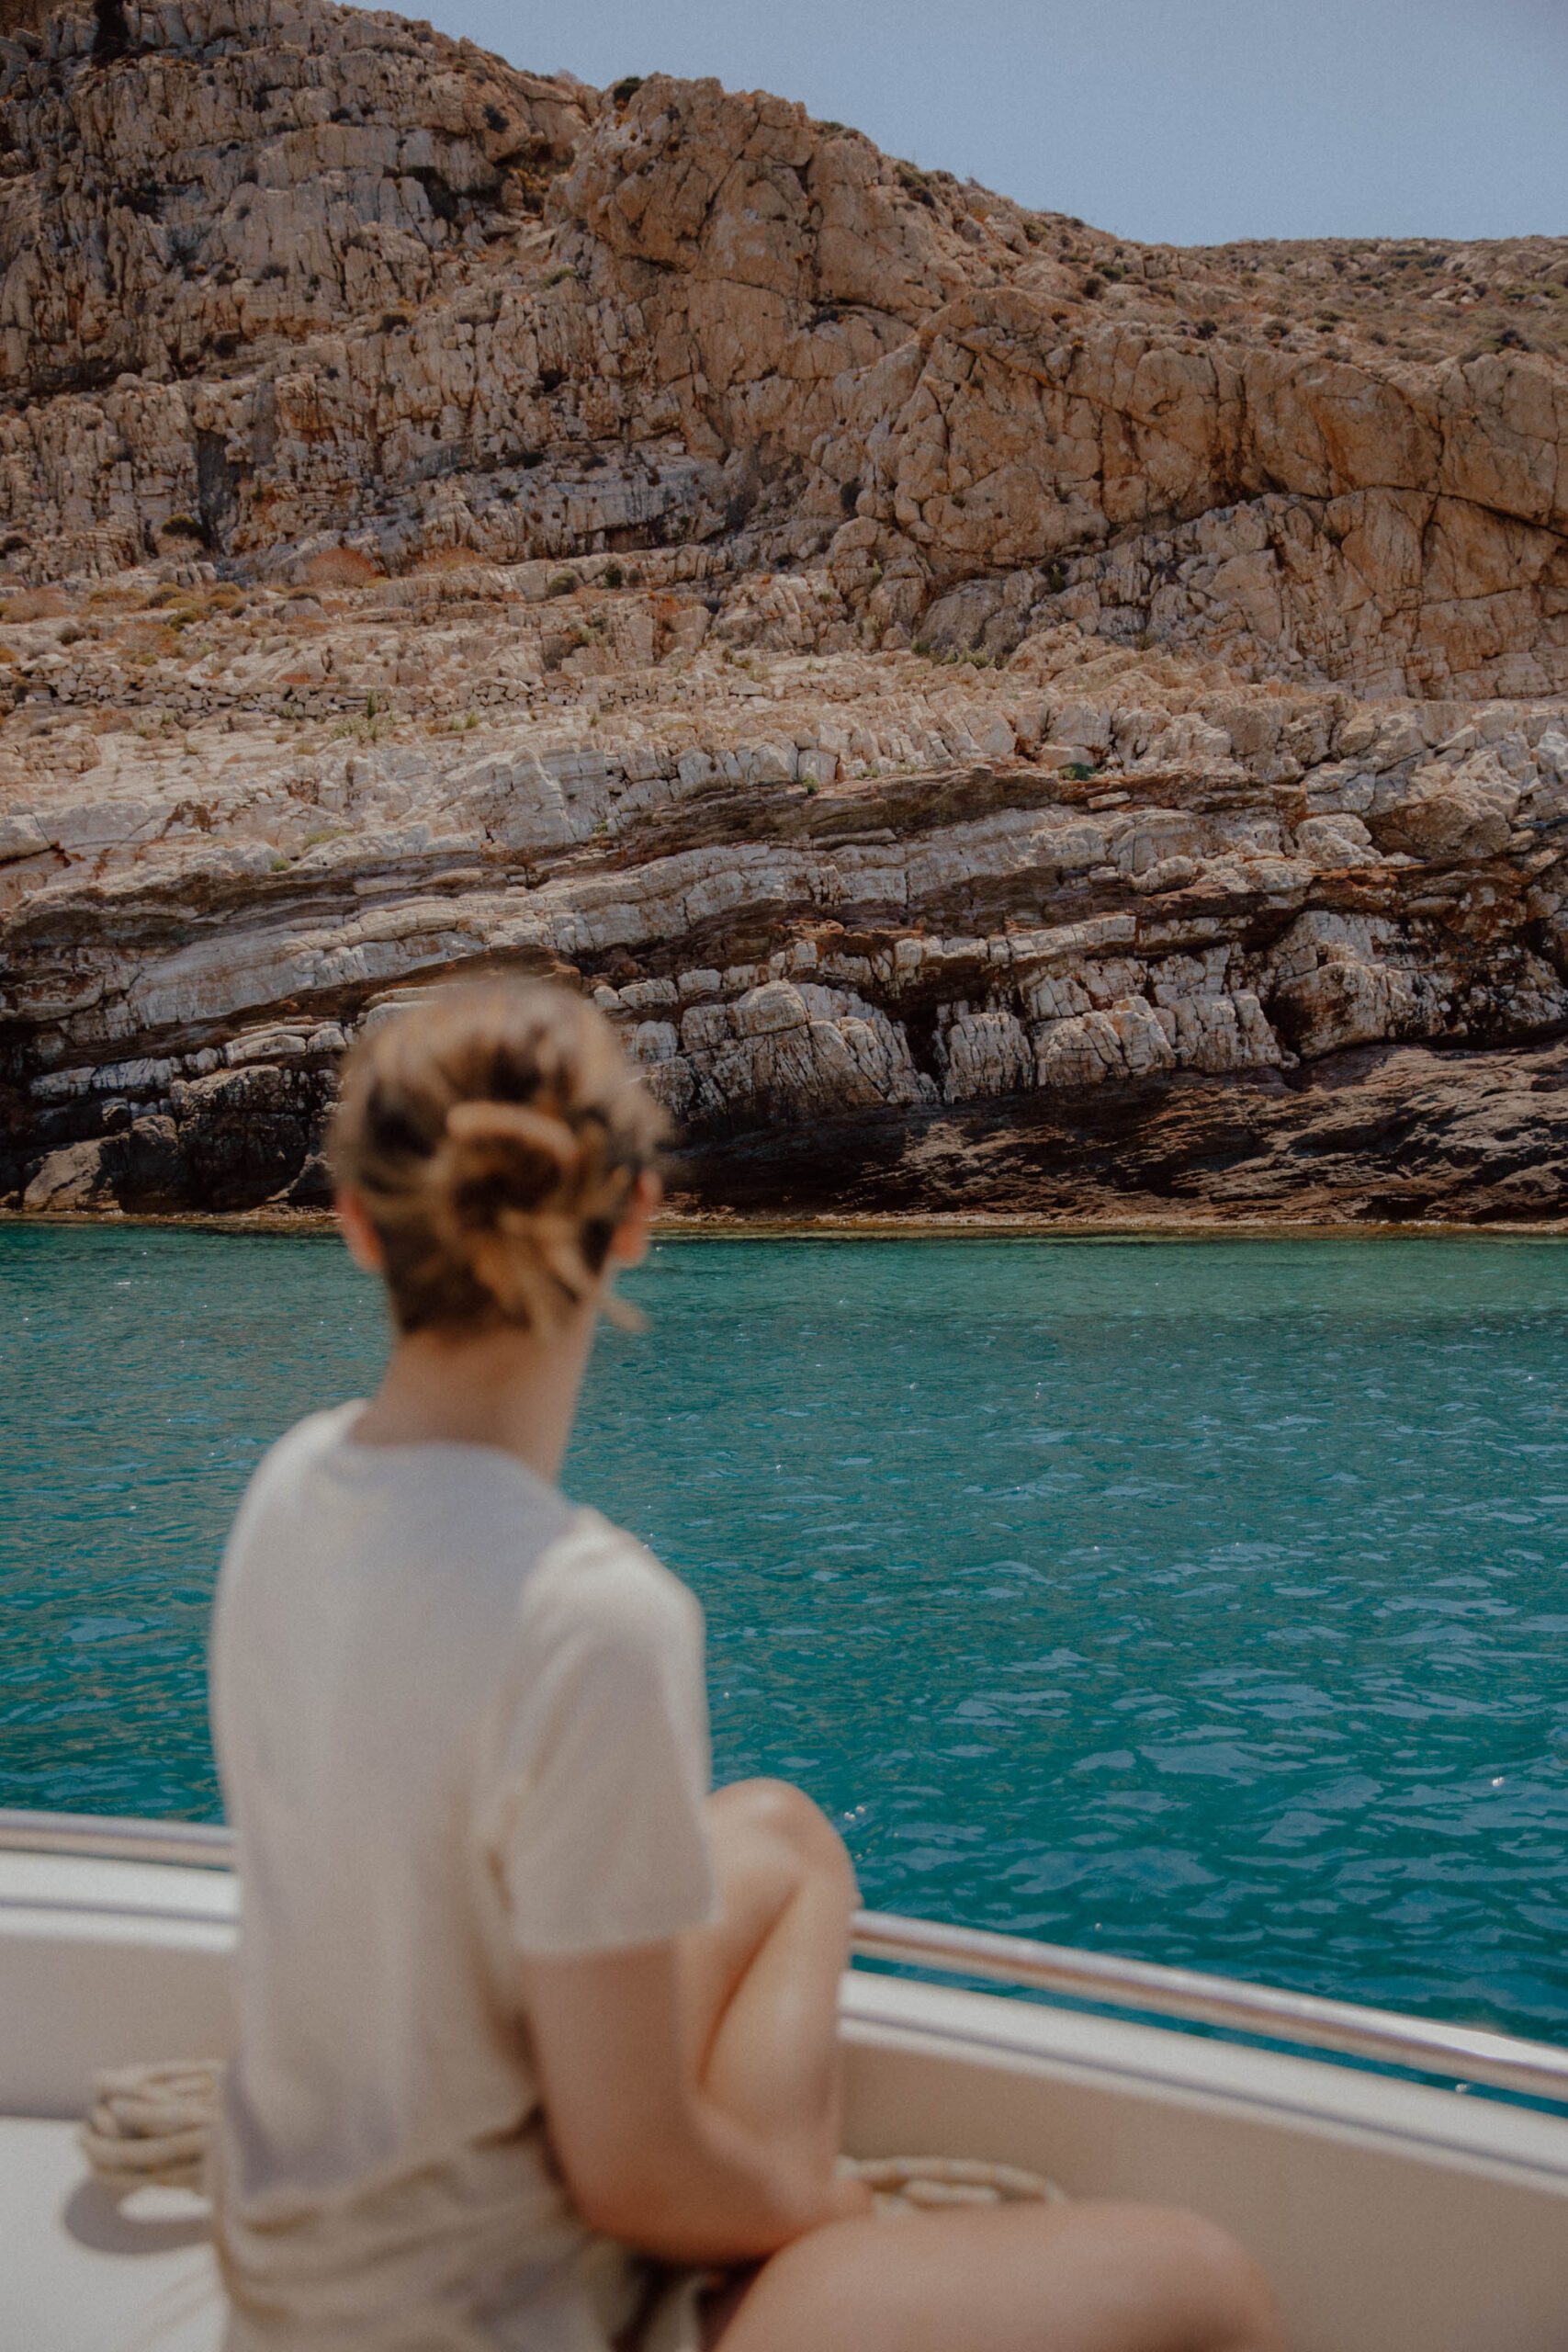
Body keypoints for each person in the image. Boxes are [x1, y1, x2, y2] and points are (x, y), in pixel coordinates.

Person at [209, 978, 1284, 2352]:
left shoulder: (290, 1484)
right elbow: (630, 2173)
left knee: (779, 1839)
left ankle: (744, 2273)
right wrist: (830, 2212)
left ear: (355, 1221)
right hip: (484, 2322)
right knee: (1210, 2287)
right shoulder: (595, 1616)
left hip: (297, 2288)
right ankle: (756, 2277)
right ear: (638, 1218)